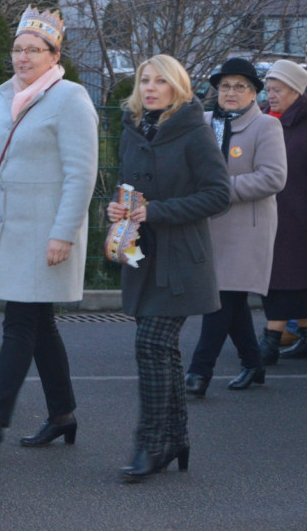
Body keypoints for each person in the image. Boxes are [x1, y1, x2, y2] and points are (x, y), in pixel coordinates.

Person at [0, 8, 98, 454]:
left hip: (49, 230)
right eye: (18, 48)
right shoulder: (1, 97)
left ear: (55, 55)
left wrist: (64, 233)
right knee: (39, 323)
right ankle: (62, 414)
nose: (23, 57)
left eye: (34, 50)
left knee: (20, 323)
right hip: (13, 227)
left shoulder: (70, 98)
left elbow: (82, 172)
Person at [107, 54, 230, 481]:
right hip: (143, 257)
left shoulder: (195, 131)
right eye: (144, 80)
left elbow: (219, 195)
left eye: (160, 81)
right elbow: (131, 188)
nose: (150, 87)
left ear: (177, 87)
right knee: (163, 352)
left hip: (180, 259)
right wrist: (120, 208)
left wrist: (155, 211)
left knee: (151, 345)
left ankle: (151, 443)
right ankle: (176, 438)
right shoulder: (132, 130)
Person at [185, 58, 286, 396]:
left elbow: (273, 177)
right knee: (233, 300)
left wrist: (219, 189)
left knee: (222, 296)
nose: (230, 92)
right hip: (208, 224)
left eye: (240, 86)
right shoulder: (203, 121)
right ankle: (253, 362)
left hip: (247, 227)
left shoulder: (267, 126)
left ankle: (199, 372)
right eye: (225, 86)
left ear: (254, 92)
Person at [259, 60, 307, 362]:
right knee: (282, 277)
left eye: (277, 90)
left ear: (296, 91)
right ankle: (300, 336)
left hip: (297, 211)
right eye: (268, 90)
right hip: (271, 210)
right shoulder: (266, 119)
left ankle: (270, 341)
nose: (271, 95)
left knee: (286, 278)